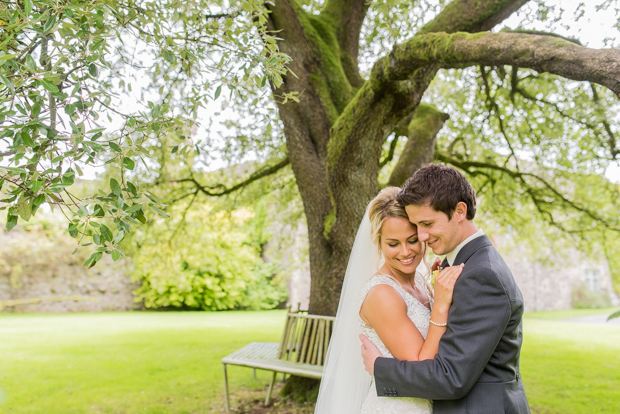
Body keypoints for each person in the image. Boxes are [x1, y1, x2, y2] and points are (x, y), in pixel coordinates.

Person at [360, 164, 530, 414]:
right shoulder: (464, 264)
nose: (422, 237)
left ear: (459, 211)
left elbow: (451, 377)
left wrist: (380, 369)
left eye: (427, 224)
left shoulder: (481, 275)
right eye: (417, 226)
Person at [315, 187, 463, 414]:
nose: (405, 252)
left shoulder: (422, 284)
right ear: (379, 243)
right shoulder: (381, 294)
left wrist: (435, 293)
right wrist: (441, 306)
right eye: (393, 244)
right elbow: (422, 368)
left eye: (412, 240)